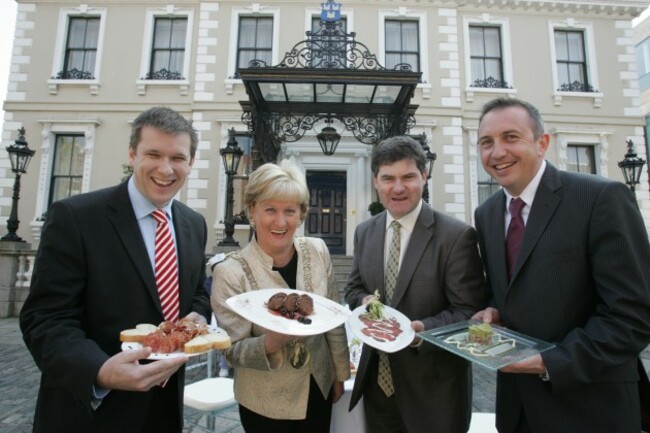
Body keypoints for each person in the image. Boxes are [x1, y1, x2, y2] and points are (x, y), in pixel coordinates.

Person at [20, 107, 212, 433]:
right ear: (133, 153)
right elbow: (46, 319)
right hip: (90, 414)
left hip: (164, 412)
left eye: (178, 158)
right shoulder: (76, 217)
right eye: (153, 154)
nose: (166, 169)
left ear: (191, 163)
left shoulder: (194, 225)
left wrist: (197, 317)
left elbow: (196, 294)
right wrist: (100, 371)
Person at [473, 97, 650, 433]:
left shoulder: (601, 198)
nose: (497, 153)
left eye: (511, 137)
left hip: (590, 410)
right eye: (486, 142)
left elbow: (632, 316)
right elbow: (508, 290)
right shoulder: (487, 213)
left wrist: (551, 362)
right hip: (517, 411)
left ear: (542, 143)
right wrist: (493, 311)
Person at [345, 136, 486, 433]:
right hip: (376, 389)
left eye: (408, 176)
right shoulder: (364, 233)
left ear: (424, 176)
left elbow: (467, 312)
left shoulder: (456, 237)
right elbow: (353, 289)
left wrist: (422, 332)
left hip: (433, 395)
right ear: (376, 181)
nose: (398, 188)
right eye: (388, 178)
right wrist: (364, 302)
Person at [211, 160, 350, 433]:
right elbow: (231, 351)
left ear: (301, 214)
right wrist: (271, 342)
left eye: (290, 210)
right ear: (253, 210)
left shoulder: (317, 250)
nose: (280, 221)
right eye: (270, 209)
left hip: (319, 389)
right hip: (265, 403)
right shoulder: (230, 272)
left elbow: (334, 318)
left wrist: (340, 374)